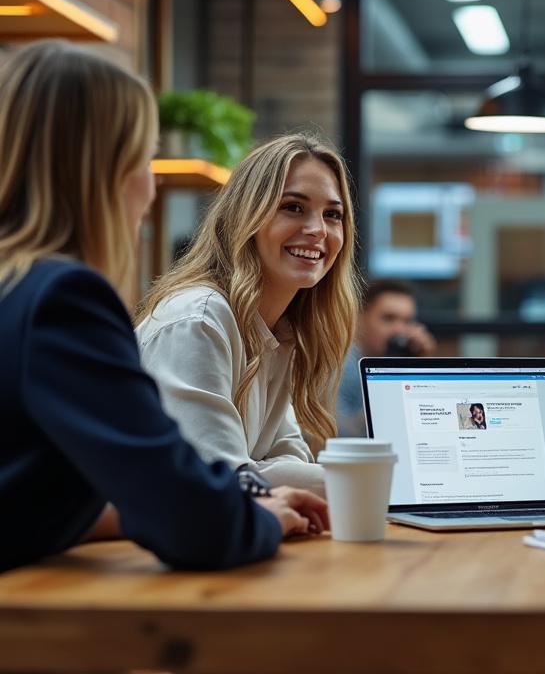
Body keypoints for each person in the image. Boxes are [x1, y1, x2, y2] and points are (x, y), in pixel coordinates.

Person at [0, 40, 325, 573]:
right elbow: (189, 516)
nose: (150, 187)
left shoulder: (19, 290)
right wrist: (262, 518)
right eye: (144, 157)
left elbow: (25, 492)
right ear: (102, 169)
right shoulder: (62, 301)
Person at [136, 134, 360, 498]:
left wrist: (262, 473)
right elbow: (221, 480)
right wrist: (372, 483)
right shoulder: (200, 319)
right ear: (247, 217)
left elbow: (287, 458)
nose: (318, 229)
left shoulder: (281, 329)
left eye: (332, 214)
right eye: (293, 207)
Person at [336, 280, 437, 437]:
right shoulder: (338, 366)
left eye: (407, 321)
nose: (399, 329)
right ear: (360, 318)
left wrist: (421, 368)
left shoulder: (399, 362)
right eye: (388, 319)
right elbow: (340, 433)